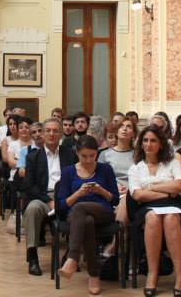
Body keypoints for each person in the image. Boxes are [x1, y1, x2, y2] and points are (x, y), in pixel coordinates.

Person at [56, 135, 120, 295]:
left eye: (92, 155)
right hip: (75, 215)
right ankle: (93, 274)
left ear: (97, 153)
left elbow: (115, 200)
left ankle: (72, 258)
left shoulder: (105, 169)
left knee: (81, 208)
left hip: (102, 211)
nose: (89, 160)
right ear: (77, 153)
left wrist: (101, 190)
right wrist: (78, 193)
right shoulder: (68, 171)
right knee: (87, 220)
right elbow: (62, 205)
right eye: (84, 156)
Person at [129, 125, 181, 296]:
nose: (149, 144)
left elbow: (179, 185)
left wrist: (151, 187)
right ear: (141, 144)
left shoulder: (172, 163)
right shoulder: (135, 168)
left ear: (161, 144)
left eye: (153, 140)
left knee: (170, 218)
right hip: (147, 207)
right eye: (145, 140)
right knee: (153, 217)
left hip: (174, 206)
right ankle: (152, 273)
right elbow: (138, 195)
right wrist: (167, 191)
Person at [23, 118, 76, 276]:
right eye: (48, 130)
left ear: (61, 134)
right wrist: (49, 201)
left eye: (55, 131)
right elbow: (29, 186)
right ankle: (33, 257)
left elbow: (76, 179)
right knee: (32, 209)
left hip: (66, 197)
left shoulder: (70, 154)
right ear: (43, 133)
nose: (51, 134)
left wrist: (64, 199)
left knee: (81, 211)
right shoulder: (33, 157)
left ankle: (70, 255)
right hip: (43, 197)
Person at [99, 118, 135, 224]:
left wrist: (130, 189)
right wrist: (114, 187)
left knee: (125, 200)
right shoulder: (105, 154)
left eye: (128, 126)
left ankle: (118, 233)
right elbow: (100, 177)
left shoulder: (138, 155)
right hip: (111, 192)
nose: (124, 129)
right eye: (121, 126)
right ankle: (121, 232)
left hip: (132, 192)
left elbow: (143, 177)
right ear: (117, 131)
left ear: (133, 133)